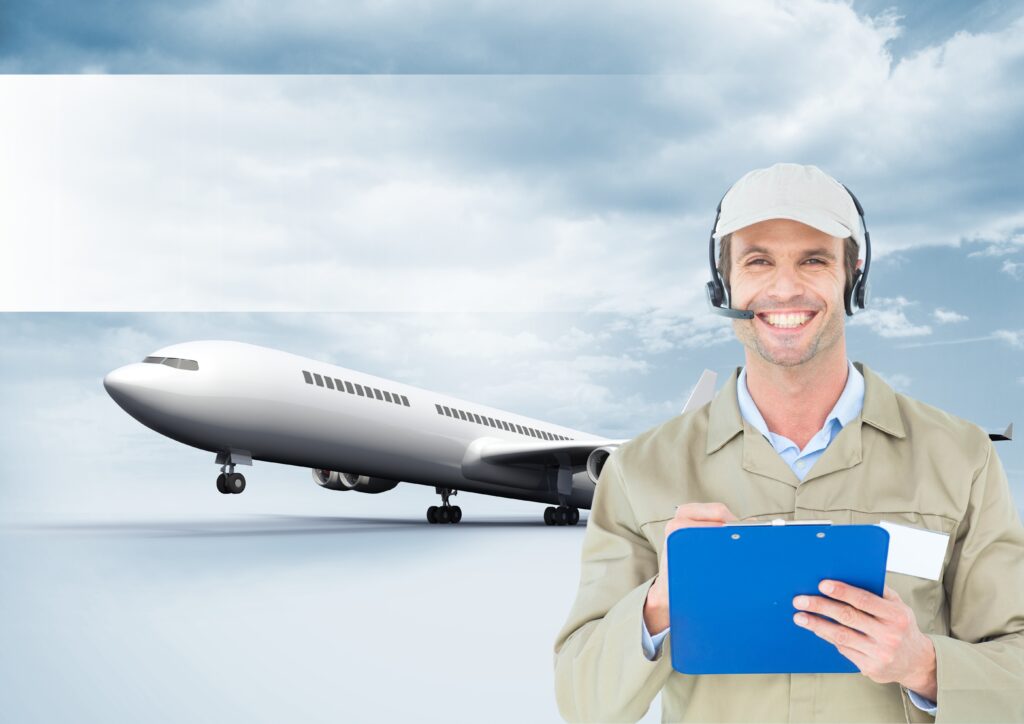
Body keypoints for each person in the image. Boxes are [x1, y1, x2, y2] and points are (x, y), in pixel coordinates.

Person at [553, 163, 1024, 722]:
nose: (783, 287)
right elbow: (582, 703)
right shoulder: (638, 472)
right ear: (723, 282)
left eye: (814, 259)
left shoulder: (961, 457)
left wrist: (924, 665)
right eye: (757, 260)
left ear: (854, 274)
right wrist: (660, 602)